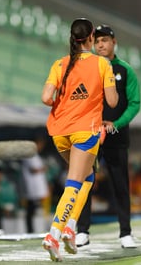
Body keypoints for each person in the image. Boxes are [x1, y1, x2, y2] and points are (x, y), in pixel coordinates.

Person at [40, 18, 118, 262]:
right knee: (74, 182)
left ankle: (71, 227)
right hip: (86, 130)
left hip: (59, 131)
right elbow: (113, 101)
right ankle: (54, 234)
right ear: (92, 37)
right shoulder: (102, 64)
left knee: (87, 176)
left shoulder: (59, 64)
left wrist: (65, 105)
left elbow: (45, 98)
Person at [76, 24, 141, 248]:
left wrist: (116, 124)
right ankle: (82, 231)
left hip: (116, 136)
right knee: (85, 181)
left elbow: (134, 104)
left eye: (105, 40)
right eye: (97, 41)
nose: (101, 44)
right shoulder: (87, 68)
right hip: (91, 135)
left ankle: (125, 233)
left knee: (120, 184)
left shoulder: (125, 70)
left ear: (114, 42)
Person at [21, 137, 49, 233]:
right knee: (31, 210)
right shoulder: (29, 155)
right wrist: (43, 169)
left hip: (37, 188)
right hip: (32, 188)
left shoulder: (36, 156)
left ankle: (37, 229)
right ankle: (30, 230)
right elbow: (33, 169)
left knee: (36, 211)